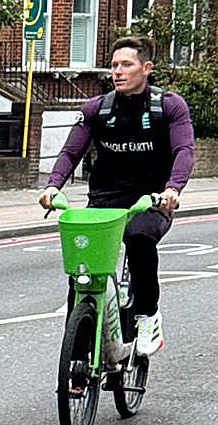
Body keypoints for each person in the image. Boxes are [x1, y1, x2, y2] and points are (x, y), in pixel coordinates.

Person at [39, 36, 194, 355]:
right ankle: (79, 353)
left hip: (150, 201)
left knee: (139, 239)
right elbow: (71, 152)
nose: (118, 72)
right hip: (104, 201)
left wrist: (172, 189)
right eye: (114, 66)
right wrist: (54, 185)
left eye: (127, 64)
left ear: (146, 68)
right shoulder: (98, 109)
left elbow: (184, 150)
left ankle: (148, 316)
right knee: (82, 271)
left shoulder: (169, 106)